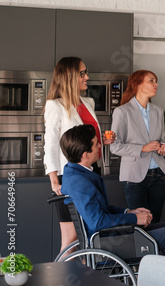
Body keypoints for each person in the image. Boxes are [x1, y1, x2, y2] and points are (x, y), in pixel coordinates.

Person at [60, 124, 165, 265]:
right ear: (85, 154)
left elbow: (103, 210)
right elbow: (97, 222)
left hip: (107, 235)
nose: (100, 147)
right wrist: (134, 218)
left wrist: (130, 211)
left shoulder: (78, 172)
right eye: (96, 144)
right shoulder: (78, 181)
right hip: (106, 242)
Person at [44, 56, 115, 254]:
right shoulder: (55, 106)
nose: (87, 77)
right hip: (69, 177)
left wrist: (102, 141)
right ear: (69, 76)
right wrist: (54, 181)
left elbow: (86, 138)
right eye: (82, 73)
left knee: (89, 235)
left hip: (92, 172)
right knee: (71, 237)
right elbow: (49, 145)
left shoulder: (88, 102)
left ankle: (84, 278)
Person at [110, 70, 165, 224]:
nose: (156, 85)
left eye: (156, 81)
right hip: (134, 176)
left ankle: (155, 249)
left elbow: (163, 140)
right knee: (140, 224)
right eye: (152, 81)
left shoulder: (158, 111)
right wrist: (142, 148)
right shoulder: (122, 112)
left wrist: (163, 147)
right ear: (137, 84)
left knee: (155, 222)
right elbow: (115, 147)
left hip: (159, 175)